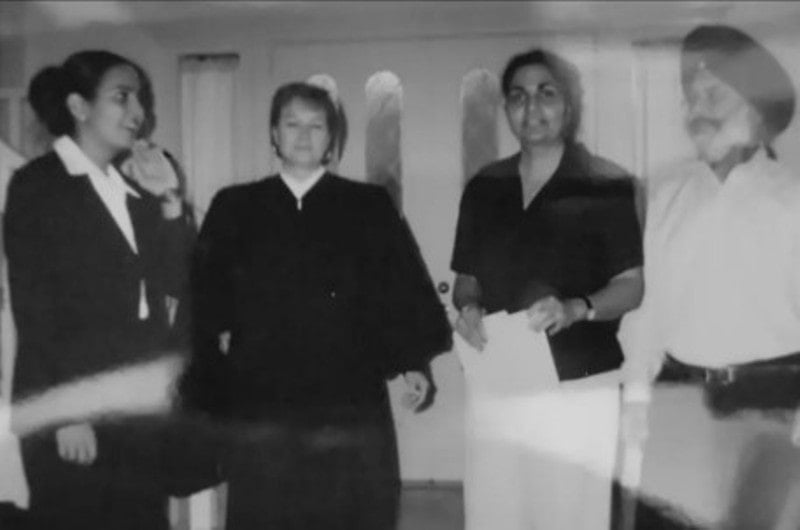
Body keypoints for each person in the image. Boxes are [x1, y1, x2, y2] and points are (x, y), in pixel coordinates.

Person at [188, 81, 451, 530]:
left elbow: (399, 288)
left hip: (347, 392)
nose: (304, 136)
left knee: (349, 508)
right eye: (292, 124)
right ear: (273, 133)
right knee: (267, 508)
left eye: (317, 125)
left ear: (333, 138)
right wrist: (209, 386)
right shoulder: (235, 206)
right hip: (263, 394)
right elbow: (204, 298)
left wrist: (413, 363)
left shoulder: (368, 206)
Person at [451, 48, 643, 530]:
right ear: (507, 110)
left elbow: (630, 286)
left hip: (578, 382)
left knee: (570, 516)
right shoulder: (484, 187)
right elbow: (465, 281)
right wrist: (469, 307)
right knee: (496, 512)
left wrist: (578, 308)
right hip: (499, 378)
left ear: (569, 106)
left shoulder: (606, 184)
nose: (531, 107)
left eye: (546, 93)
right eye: (517, 96)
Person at [620, 24, 800, 528]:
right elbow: (646, 309)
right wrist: (635, 404)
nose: (695, 107)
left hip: (771, 407)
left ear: (755, 104)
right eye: (690, 96)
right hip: (676, 399)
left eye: (712, 94)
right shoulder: (665, 193)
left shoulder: (795, 201)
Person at [5, 50, 193, 530]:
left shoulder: (132, 190)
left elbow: (179, 280)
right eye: (122, 97)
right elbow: (36, 307)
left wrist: (170, 199)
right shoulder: (38, 185)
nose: (139, 114)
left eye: (141, 100)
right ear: (79, 106)